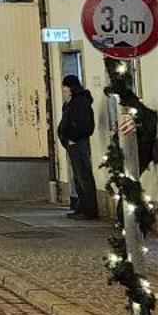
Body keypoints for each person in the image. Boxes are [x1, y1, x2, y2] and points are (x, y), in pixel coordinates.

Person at [57, 77, 99, 220]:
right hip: (73, 144)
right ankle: (82, 207)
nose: (63, 90)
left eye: (65, 87)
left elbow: (84, 125)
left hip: (78, 143)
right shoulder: (73, 102)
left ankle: (89, 210)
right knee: (78, 177)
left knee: (84, 176)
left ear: (71, 87)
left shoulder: (80, 102)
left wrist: (73, 138)